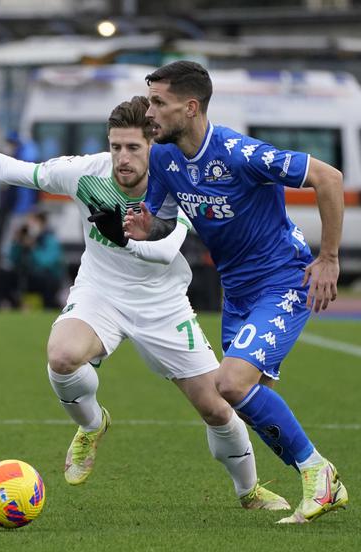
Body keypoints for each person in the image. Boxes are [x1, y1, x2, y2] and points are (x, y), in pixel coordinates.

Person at [0, 98, 291, 512]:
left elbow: (166, 250)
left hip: (162, 304)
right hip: (100, 292)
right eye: (115, 147)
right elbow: (11, 170)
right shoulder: (86, 173)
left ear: (153, 146)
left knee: (217, 409)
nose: (122, 159)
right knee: (61, 356)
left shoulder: (177, 179)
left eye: (133, 148)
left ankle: (248, 492)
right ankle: (92, 425)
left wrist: (127, 237)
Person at [124, 60, 348, 524]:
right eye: (149, 100)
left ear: (190, 108)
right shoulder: (164, 157)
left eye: (158, 103)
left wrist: (328, 257)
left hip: (283, 280)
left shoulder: (239, 153)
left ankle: (320, 476)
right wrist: (149, 227)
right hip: (238, 291)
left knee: (230, 383)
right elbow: (165, 218)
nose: (149, 111)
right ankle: (304, 482)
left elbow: (329, 178)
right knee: (243, 396)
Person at [0, 209, 65, 309]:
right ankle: (15, 305)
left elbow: (45, 263)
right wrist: (17, 243)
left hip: (46, 278)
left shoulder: (50, 240)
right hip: (27, 276)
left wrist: (33, 247)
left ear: (43, 224)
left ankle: (49, 307)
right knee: (2, 276)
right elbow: (12, 260)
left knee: (48, 281)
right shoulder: (23, 239)